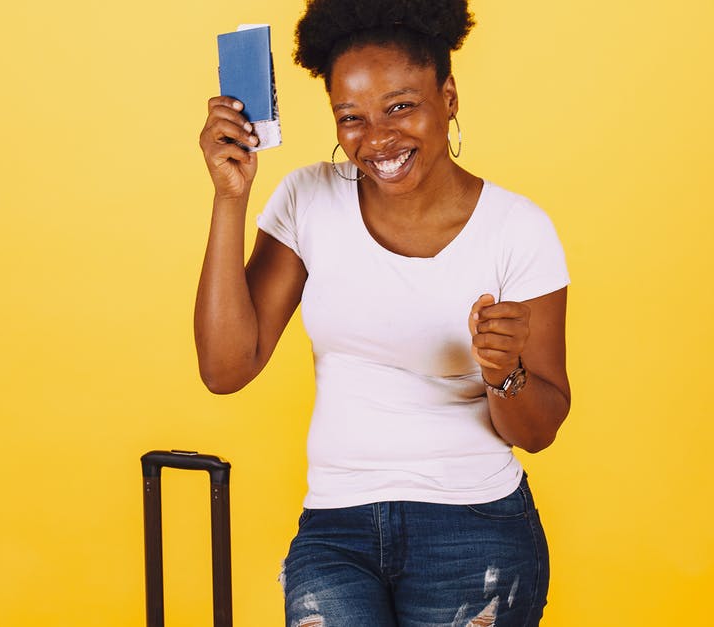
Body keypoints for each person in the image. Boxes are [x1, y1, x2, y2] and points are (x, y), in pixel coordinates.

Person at [195, 1, 570, 624]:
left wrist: (504, 372)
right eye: (351, 118)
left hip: (475, 527)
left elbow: (538, 431)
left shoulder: (518, 230)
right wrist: (230, 199)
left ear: (447, 96)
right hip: (336, 528)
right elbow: (225, 368)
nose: (377, 139)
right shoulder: (308, 200)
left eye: (400, 106)